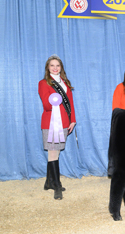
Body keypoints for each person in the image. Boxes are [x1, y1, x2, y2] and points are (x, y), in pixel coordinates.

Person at [38, 54, 76, 200]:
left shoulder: (66, 83)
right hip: (50, 123)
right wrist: (54, 99)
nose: (55, 68)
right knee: (53, 153)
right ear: (48, 68)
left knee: (56, 153)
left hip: (65, 122)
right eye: (52, 65)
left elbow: (71, 103)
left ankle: (49, 182)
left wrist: (73, 120)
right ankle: (57, 185)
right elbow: (47, 106)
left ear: (61, 68)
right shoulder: (43, 83)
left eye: (57, 65)